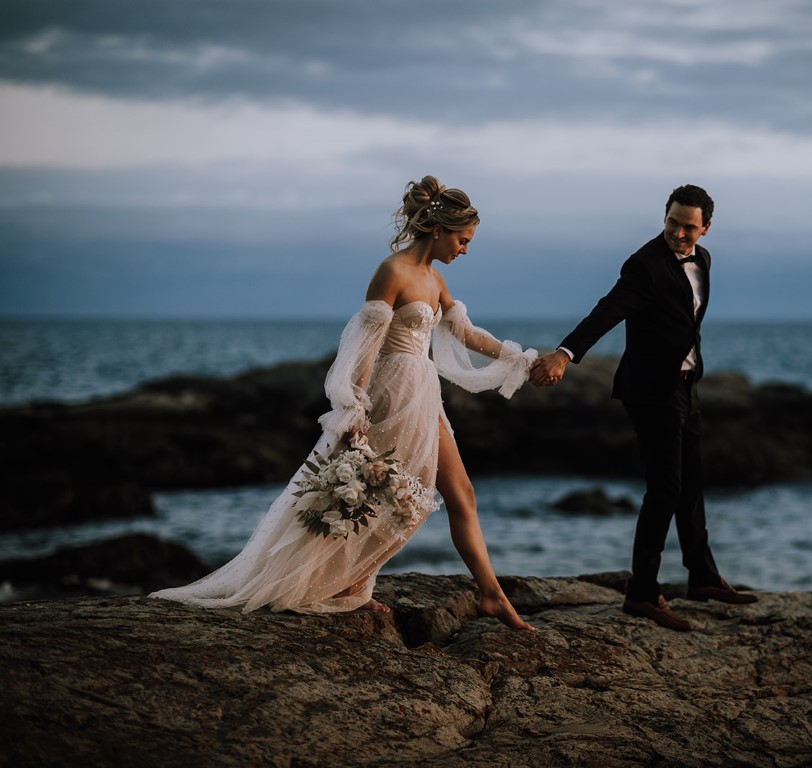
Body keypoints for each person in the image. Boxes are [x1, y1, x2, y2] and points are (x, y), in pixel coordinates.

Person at [152, 175, 535, 631]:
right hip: (391, 393)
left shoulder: (436, 279)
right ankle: (346, 587)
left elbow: (466, 334)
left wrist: (522, 359)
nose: (465, 250)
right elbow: (363, 346)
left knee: (449, 493)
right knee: (380, 494)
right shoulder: (392, 272)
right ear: (438, 228)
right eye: (463, 239)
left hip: (424, 393)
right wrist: (354, 409)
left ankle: (486, 594)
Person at [530, 184, 756, 632]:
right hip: (651, 391)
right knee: (666, 487)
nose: (678, 232)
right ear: (665, 217)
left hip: (687, 385)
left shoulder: (703, 261)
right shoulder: (644, 265)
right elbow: (607, 311)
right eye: (672, 222)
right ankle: (641, 592)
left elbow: (686, 322)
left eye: (689, 226)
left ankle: (703, 578)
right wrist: (564, 353)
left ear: (706, 228)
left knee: (692, 482)